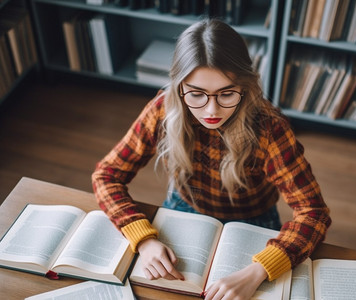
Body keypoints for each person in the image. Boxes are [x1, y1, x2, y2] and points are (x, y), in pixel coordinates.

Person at [92, 19, 331, 300]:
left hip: (253, 220)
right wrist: (143, 239)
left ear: (245, 86)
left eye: (227, 93)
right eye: (196, 94)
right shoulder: (162, 110)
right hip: (184, 207)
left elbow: (313, 211)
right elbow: (107, 175)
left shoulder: (270, 127)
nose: (211, 110)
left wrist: (259, 270)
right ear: (179, 86)